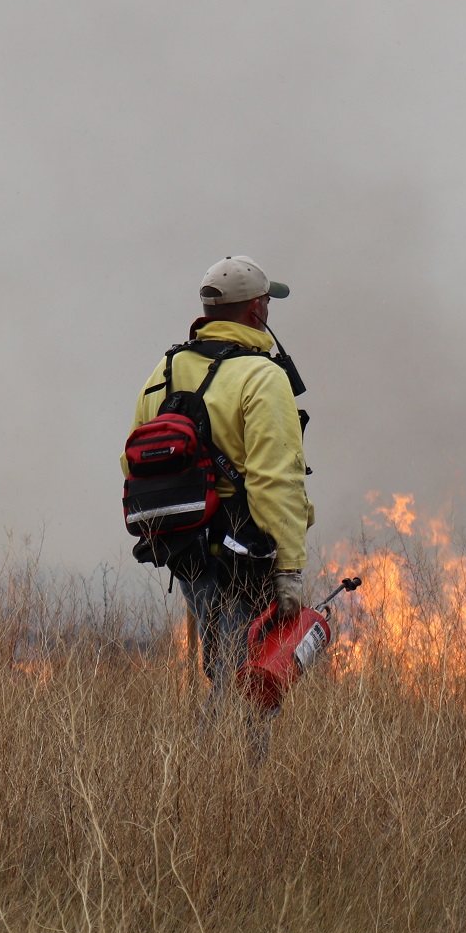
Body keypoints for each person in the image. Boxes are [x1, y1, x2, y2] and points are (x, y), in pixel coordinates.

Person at [124, 255, 314, 758]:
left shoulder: (164, 371)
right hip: (244, 553)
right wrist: (290, 567)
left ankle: (230, 786)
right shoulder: (261, 376)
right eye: (267, 300)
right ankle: (225, 787)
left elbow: (131, 460)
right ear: (255, 308)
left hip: (184, 549)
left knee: (226, 663)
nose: (269, 307)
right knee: (243, 681)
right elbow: (278, 480)